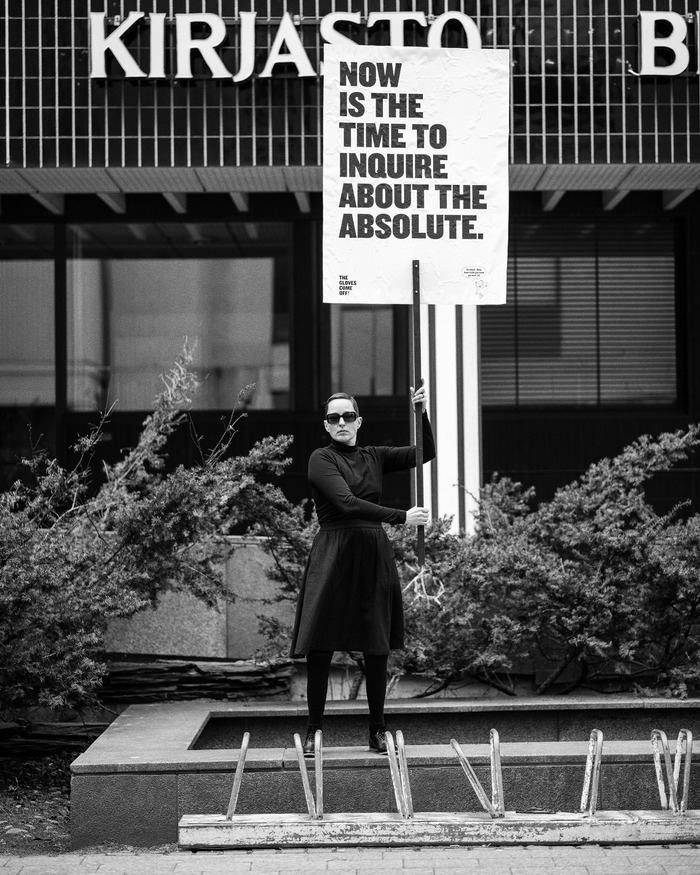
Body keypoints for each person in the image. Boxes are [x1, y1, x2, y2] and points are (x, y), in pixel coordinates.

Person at [289, 384, 435, 754]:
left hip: (372, 554)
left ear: (359, 421)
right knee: (319, 646)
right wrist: (401, 516)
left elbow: (426, 452)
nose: (342, 422)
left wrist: (421, 415)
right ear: (326, 425)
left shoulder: (375, 455)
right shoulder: (321, 459)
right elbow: (347, 503)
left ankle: (377, 731)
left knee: (376, 644)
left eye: (348, 416)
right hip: (333, 553)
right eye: (334, 417)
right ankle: (314, 731)